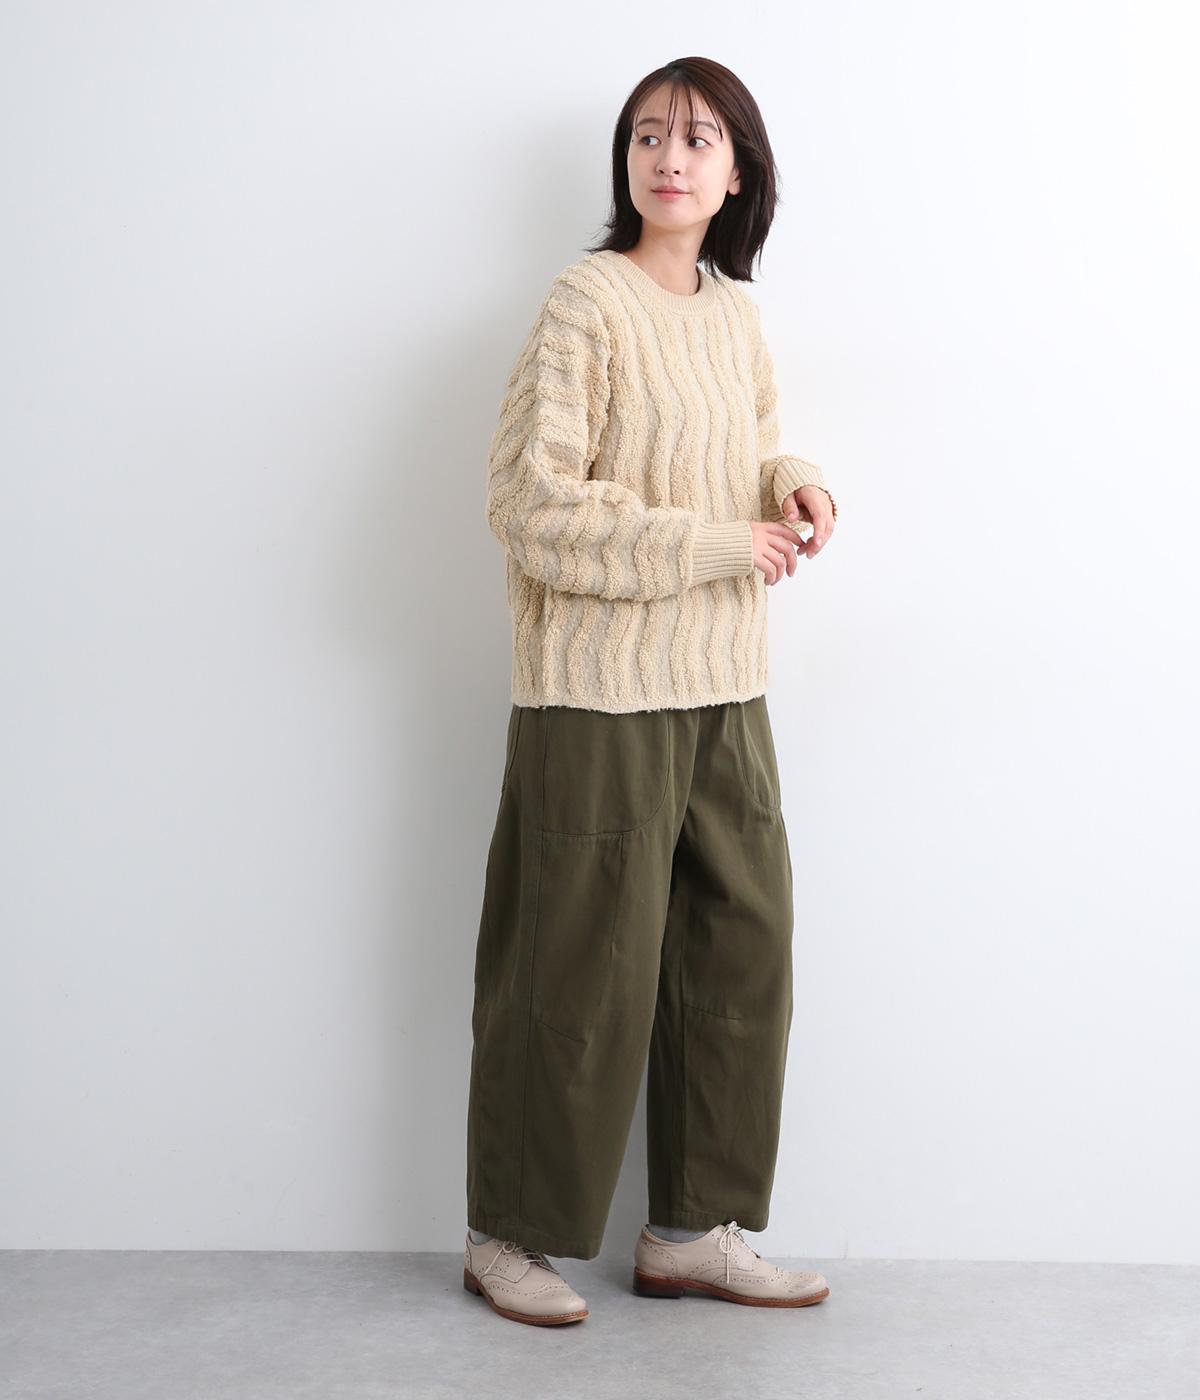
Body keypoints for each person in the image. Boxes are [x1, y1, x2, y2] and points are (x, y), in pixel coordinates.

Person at [462, 56, 838, 1327]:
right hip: (597, 691)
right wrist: (717, 543)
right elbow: (531, 506)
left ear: (738, 172)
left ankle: (690, 1231)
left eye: (698, 138)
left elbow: (749, 440)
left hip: (725, 678)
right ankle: (509, 1232)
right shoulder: (586, 302)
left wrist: (791, 480)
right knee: (577, 966)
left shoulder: (732, 313)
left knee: (742, 948)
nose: (669, 158)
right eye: (646, 137)